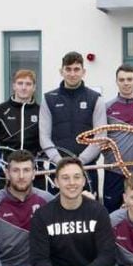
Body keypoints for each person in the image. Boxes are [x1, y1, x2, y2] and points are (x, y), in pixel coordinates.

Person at [39, 51, 106, 195]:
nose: (72, 73)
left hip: (86, 168)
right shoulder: (48, 99)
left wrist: (80, 161)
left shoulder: (95, 99)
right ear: (61, 71)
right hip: (57, 168)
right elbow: (44, 136)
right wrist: (58, 161)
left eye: (76, 69)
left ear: (83, 72)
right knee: (55, 214)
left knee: (88, 213)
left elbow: (100, 136)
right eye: (68, 69)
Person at [103, 64, 133, 212]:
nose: (126, 83)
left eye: (129, 79)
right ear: (117, 81)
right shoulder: (107, 107)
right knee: (111, 213)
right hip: (114, 171)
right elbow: (101, 138)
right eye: (122, 79)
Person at [0, 69, 42, 188]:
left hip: (34, 171)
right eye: (20, 83)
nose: (24, 87)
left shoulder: (41, 112)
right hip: (6, 171)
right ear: (14, 86)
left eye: (28, 84)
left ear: (34, 87)